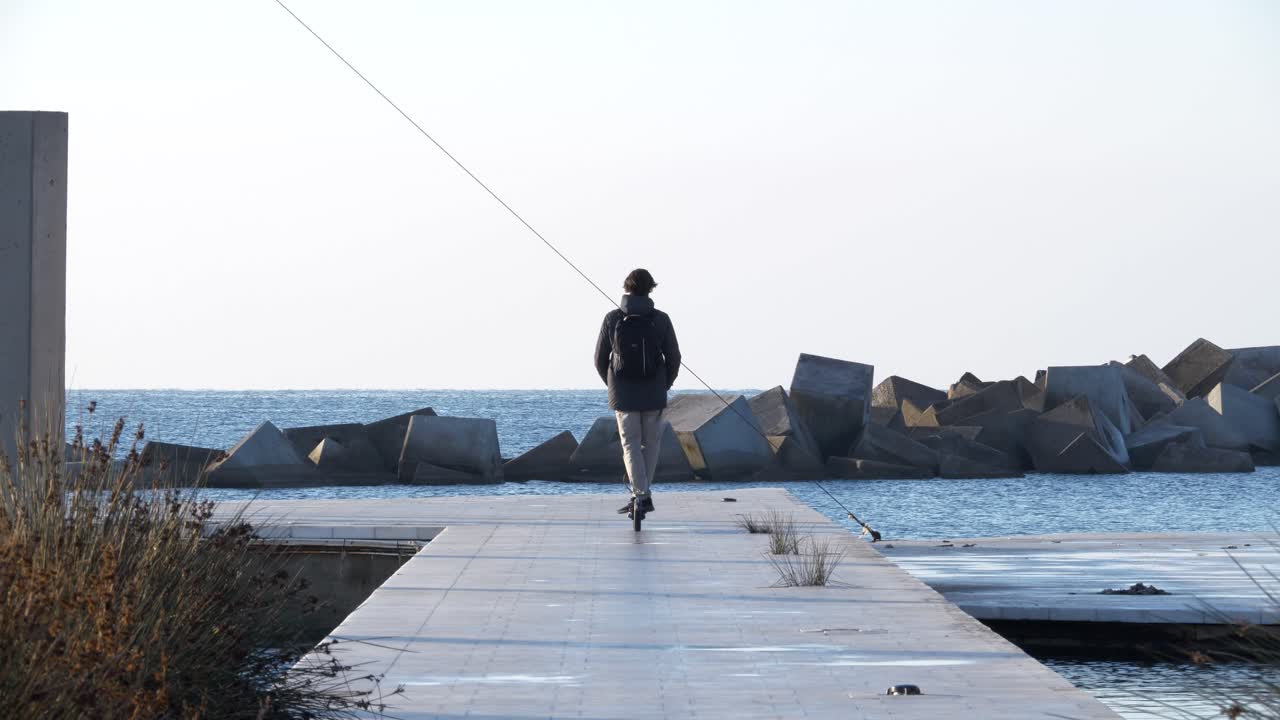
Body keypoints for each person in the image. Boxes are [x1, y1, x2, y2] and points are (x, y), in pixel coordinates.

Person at [594, 268, 681, 519]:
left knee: (630, 444)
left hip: (623, 394)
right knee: (651, 444)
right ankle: (642, 495)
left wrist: (613, 385)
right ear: (651, 288)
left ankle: (641, 496)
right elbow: (674, 357)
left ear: (627, 288)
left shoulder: (612, 318)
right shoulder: (661, 319)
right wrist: (664, 384)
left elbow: (600, 359)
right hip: (654, 391)